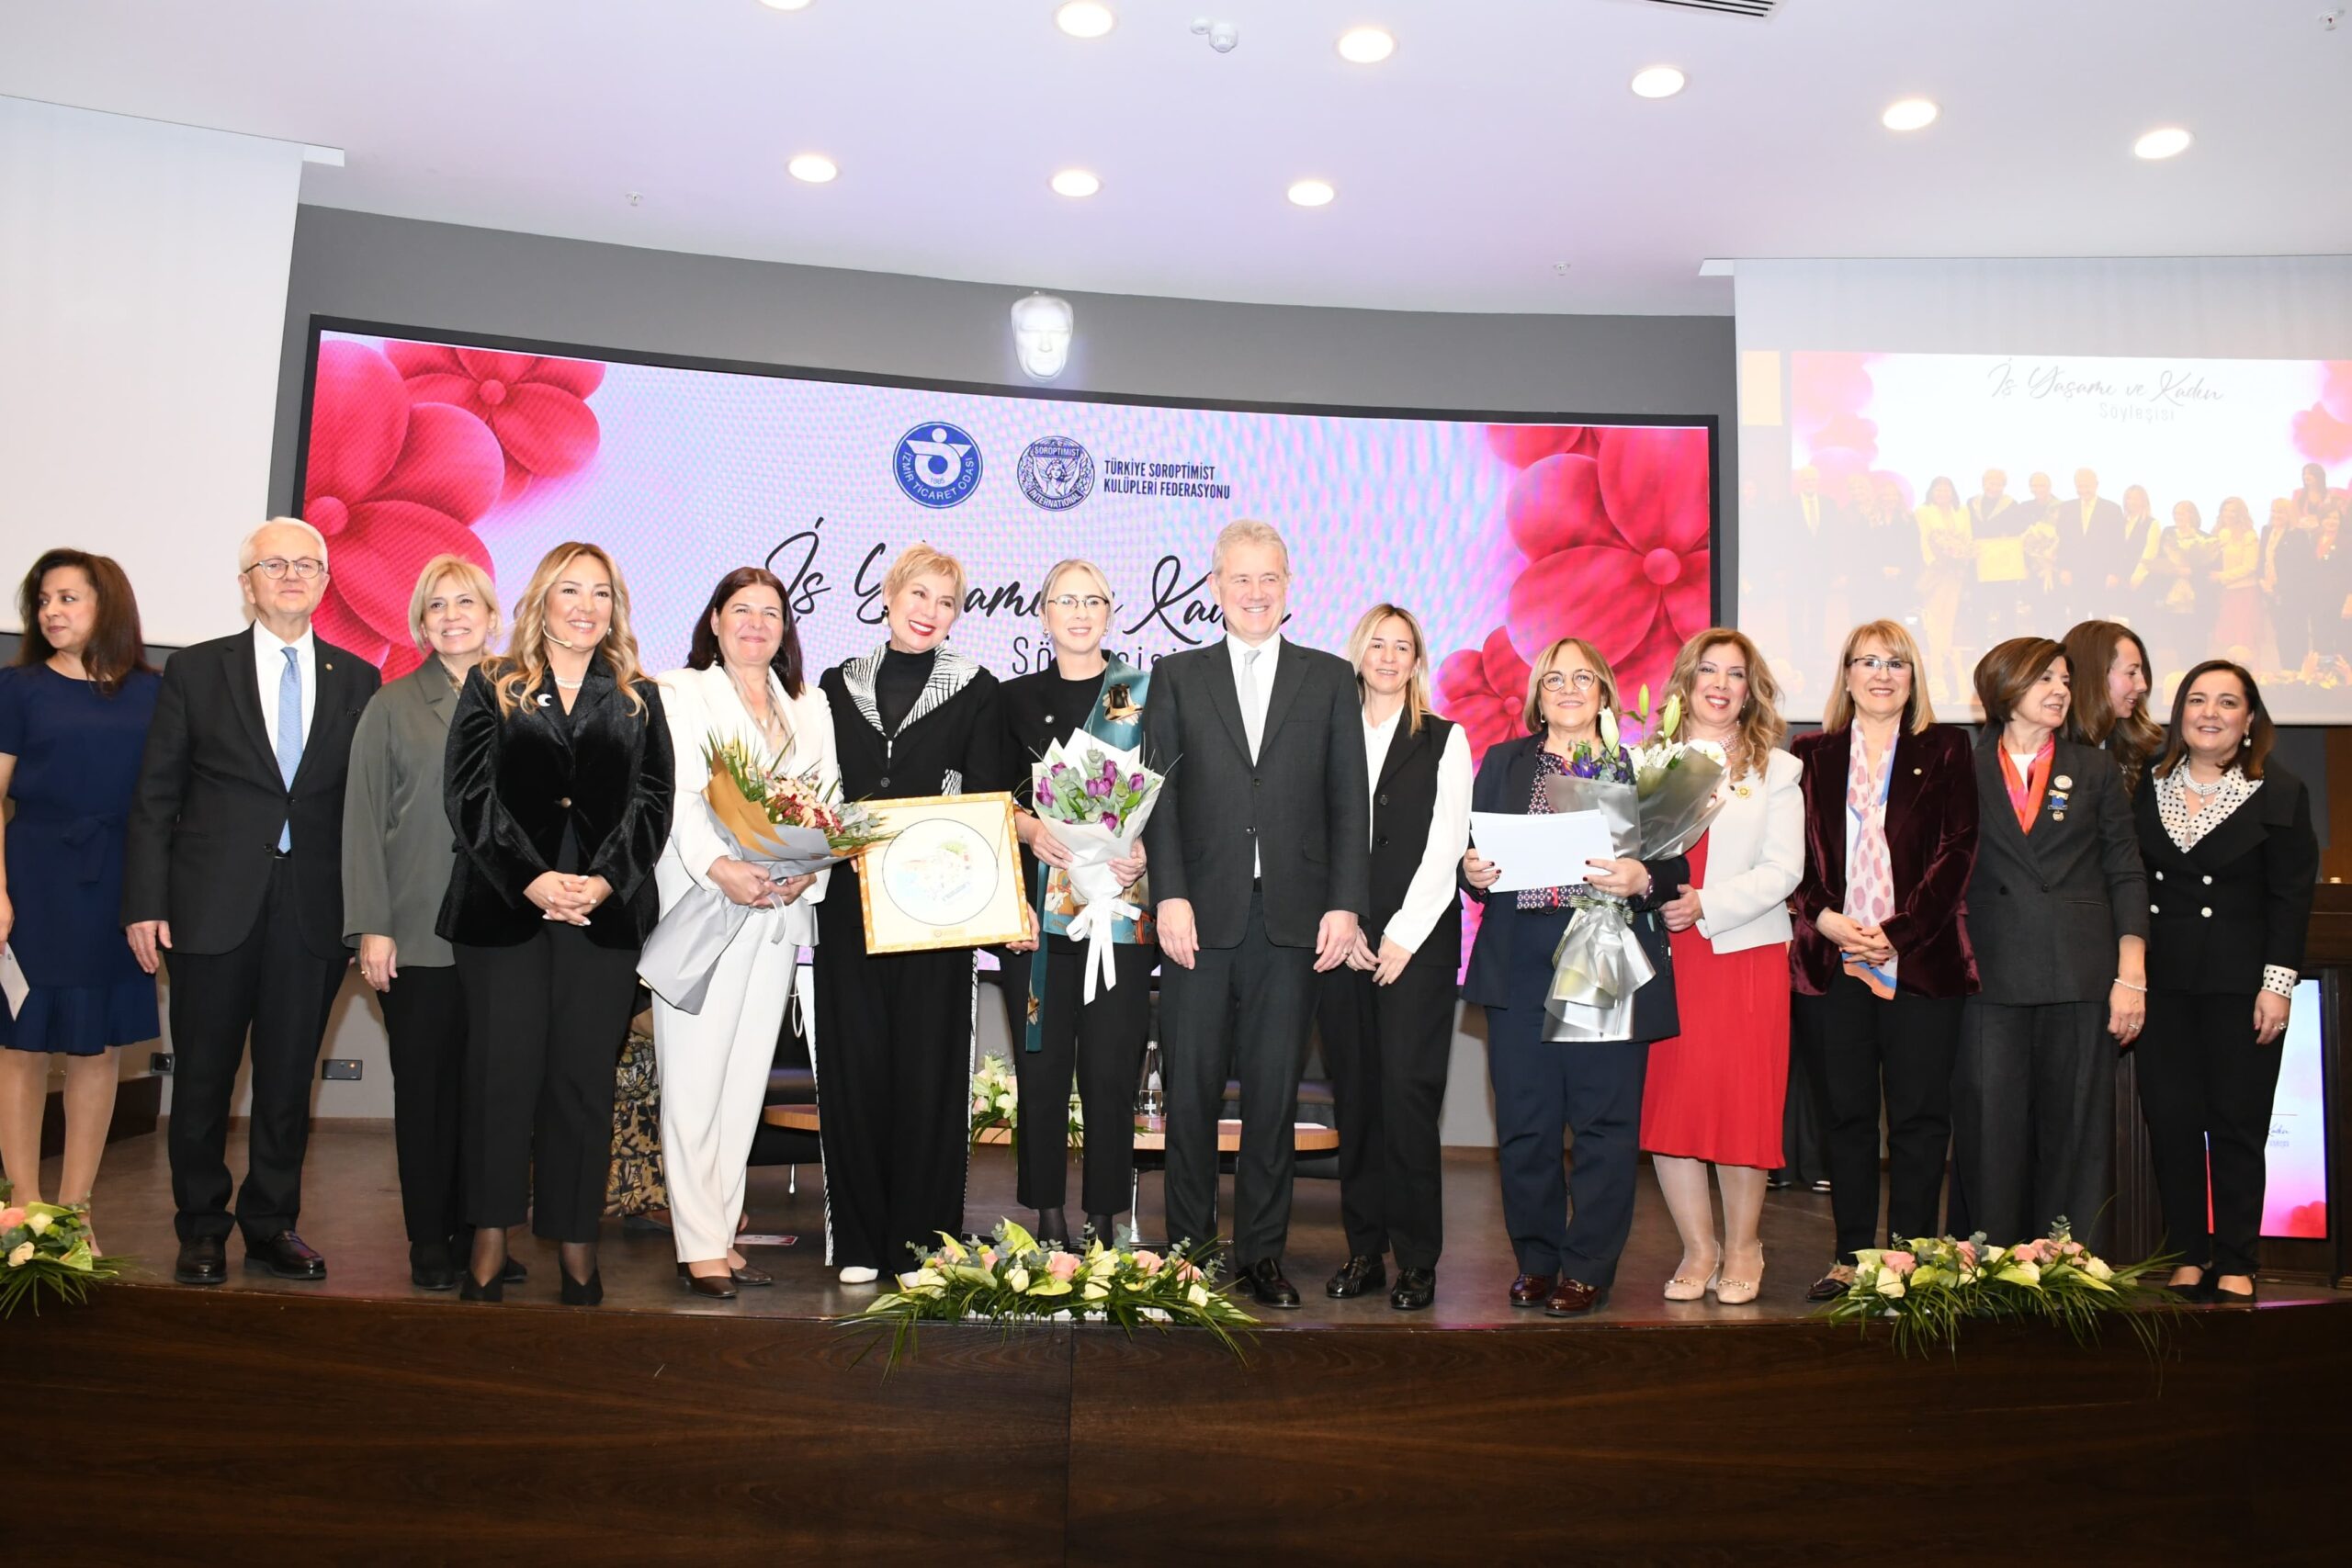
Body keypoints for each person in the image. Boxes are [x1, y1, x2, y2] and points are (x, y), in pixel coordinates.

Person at [123, 519, 379, 1286]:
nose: (292, 574)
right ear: (247, 584)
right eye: (274, 564)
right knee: (203, 1077)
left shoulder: (358, 677)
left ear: (326, 580)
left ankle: (272, 1224)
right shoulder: (196, 670)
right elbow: (156, 794)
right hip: (211, 905)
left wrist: (367, 913)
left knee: (287, 1080)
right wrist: (144, 901)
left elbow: (365, 810)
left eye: (307, 563)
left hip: (313, 910)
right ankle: (202, 1226)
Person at [439, 541, 673, 1304]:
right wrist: (533, 878)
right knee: (500, 1078)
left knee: (581, 1083)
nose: (585, 606)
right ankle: (489, 1234)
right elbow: (469, 797)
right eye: (570, 590)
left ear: (615, 608)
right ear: (542, 600)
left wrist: (603, 882)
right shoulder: (493, 682)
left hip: (601, 917)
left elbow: (653, 804)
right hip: (504, 910)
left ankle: (577, 1240)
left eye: (600, 593)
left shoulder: (639, 695)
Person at [1143, 519, 1369, 1309]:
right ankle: (1188, 1254)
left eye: (1269, 577)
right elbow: (1159, 795)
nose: (1255, 592)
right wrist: (1168, 893)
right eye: (1240, 578)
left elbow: (1349, 801)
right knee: (1191, 1095)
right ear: (1214, 587)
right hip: (1197, 917)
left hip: (1294, 921)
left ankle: (1261, 1256)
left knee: (1273, 1098)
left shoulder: (1329, 677)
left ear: (1288, 585)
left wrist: (1345, 903)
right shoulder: (1176, 675)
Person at [1460, 637, 1686, 1317]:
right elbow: (1472, 859)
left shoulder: (1638, 766)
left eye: (1582, 677)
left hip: (1602, 954)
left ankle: (1587, 1266)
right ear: (1537, 694)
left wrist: (1642, 877)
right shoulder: (1504, 762)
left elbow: (1673, 863)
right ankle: (1536, 1260)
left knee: (1602, 1127)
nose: (1567, 689)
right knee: (1525, 1127)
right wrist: (1472, 872)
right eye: (1553, 678)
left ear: (1605, 692)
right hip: (1520, 958)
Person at [815, 543, 1012, 1287]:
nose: (930, 611)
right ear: (889, 596)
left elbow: (988, 799)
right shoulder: (835, 683)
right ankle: (860, 1240)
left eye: (946, 601)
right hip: (850, 904)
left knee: (930, 1074)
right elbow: (817, 786)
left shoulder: (979, 689)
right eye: (918, 594)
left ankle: (921, 1245)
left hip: (938, 909)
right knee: (853, 1069)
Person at [651, 567, 832, 1300]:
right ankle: (696, 1244)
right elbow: (678, 799)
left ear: (785, 628)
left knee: (743, 1085)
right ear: (716, 621)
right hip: (707, 907)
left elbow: (826, 800)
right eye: (742, 610)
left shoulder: (808, 704)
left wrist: (804, 874)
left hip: (778, 912)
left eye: (771, 612)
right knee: (694, 1084)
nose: (756, 623)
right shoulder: (679, 692)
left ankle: (721, 1231)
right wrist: (721, 868)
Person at [1790, 621, 1979, 1302]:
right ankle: (1850, 1257)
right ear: (1846, 676)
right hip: (1833, 959)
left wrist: (1897, 932)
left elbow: (1957, 851)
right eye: (1867, 661)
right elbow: (1793, 858)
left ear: (1913, 677)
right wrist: (1828, 919)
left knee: (1919, 1119)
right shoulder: (1809, 754)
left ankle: (1908, 1260)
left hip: (1920, 962)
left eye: (1895, 662)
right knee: (1845, 1117)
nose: (1881, 674)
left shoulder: (1947, 748)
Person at [343, 555, 512, 1292]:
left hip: (504, 935)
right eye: (436, 605)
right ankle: (429, 1240)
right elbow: (361, 821)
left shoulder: (521, 699)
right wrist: (370, 925)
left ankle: (484, 1236)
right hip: (415, 933)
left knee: (491, 1095)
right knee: (426, 1095)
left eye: (465, 602)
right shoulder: (390, 705)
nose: (452, 616)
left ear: (491, 616)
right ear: (419, 622)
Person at [1951, 637, 2147, 1256]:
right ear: (2004, 688)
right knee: (1990, 1128)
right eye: (2045, 679)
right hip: (1989, 973)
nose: (2060, 689)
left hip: (2079, 972)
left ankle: (2069, 1268)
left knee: (2077, 1129)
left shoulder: (2093, 769)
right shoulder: (1963, 767)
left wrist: (2132, 973)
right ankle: (1989, 1265)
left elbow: (2125, 871)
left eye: (2064, 679)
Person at [2133, 661, 2318, 1304]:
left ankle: (2238, 1257)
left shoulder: (2279, 790)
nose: (2209, 712)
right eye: (2197, 699)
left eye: (2227, 702)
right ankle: (2188, 1254)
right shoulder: (2147, 783)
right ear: (2179, 713)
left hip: (2242, 986)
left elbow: (2291, 898)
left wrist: (2278, 985)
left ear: (2250, 719)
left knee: (2238, 1124)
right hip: (2163, 985)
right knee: (2173, 1121)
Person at [1637, 629, 1801, 1306]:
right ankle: (1698, 1248)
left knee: (1741, 1108)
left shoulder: (1776, 770)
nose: (1721, 684)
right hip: (1666, 955)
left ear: (1749, 690)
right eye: (1709, 670)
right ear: (1686, 680)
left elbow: (1785, 870)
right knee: (1671, 1106)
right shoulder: (1648, 761)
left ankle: (1743, 1246)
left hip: (1742, 953)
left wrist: (1706, 904)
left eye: (1736, 674)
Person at [0, 550, 160, 1242]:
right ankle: (22, 1210)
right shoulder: (17, 687)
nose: (51, 612)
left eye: (68, 597)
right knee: (22, 1046)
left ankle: (73, 1213)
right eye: (43, 600)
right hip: (33, 879)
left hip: (117, 883)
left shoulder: (154, 693)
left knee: (97, 1050)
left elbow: (165, 802)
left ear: (107, 604)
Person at [1316, 604, 1471, 1313]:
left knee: (1407, 1099)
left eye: (1401, 646)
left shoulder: (1444, 738)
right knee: (1357, 1099)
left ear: (1416, 661)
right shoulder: (1329, 732)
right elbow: (1312, 836)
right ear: (1358, 652)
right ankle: (1364, 1251)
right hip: (1341, 942)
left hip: (1419, 946)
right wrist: (1342, 919)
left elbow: (1447, 844)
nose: (1387, 656)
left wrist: (1403, 935)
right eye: (1376, 643)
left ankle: (1417, 1258)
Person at [997, 559, 1152, 1251]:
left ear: (1111, 612)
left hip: (1119, 910)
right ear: (1044, 613)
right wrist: (1029, 829)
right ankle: (1048, 1213)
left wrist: (1147, 851)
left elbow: (1170, 799)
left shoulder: (1140, 696)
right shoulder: (1012, 700)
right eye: (1066, 599)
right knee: (1042, 1068)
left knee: (1112, 1071)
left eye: (1094, 600)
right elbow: (989, 799)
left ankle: (1105, 1216)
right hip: (1037, 914)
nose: (1080, 612)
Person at [2061, 621, 2162, 796]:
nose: (2142, 685)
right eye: (2131, 673)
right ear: (2095, 676)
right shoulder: (2049, 750)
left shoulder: (2140, 747)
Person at [1914, 476, 1973, 704]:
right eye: (1938, 490)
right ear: (1932, 492)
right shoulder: (1923, 512)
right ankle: (1936, 671)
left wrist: (1961, 559)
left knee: (1949, 617)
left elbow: (1967, 539)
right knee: (1933, 619)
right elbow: (1923, 540)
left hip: (1955, 572)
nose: (1942, 493)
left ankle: (1946, 664)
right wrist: (1935, 563)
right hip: (1935, 572)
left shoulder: (1962, 512)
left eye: (1946, 489)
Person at [2144, 501, 2216, 676]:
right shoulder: (2168, 535)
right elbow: (2159, 560)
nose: (2179, 517)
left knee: (2197, 635)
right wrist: (2170, 569)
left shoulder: (2205, 539)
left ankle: (2198, 670)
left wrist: (2191, 572)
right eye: (2176, 513)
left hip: (2195, 597)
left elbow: (2210, 569)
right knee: (2177, 635)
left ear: (2193, 515)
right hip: (2173, 594)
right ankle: (2184, 670)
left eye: (2183, 513)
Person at [2055, 468, 2126, 621]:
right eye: (2080, 486)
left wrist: (2115, 572)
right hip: (2075, 574)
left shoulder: (2112, 509)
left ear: (2096, 485)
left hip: (2102, 574)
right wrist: (2064, 568)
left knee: (2101, 618)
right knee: (2077, 618)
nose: (2084, 490)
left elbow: (2119, 545)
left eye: (2087, 486)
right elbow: (2063, 541)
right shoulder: (2066, 508)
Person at [2210, 498, 2266, 666]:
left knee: (2245, 634)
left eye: (2233, 511)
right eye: (2225, 510)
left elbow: (2250, 566)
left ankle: (2250, 670)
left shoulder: (2249, 536)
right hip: (2226, 591)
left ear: (2240, 513)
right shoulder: (2219, 533)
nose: (2228, 514)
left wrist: (2222, 576)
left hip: (2244, 591)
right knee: (2229, 634)